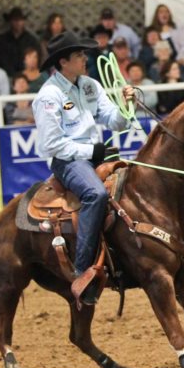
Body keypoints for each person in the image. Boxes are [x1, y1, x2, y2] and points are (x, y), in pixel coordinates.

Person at [32, 32, 133, 303]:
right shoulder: (48, 96)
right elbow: (53, 145)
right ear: (63, 62)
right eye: (79, 55)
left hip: (93, 155)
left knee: (136, 183)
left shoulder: (89, 85)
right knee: (95, 195)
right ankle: (83, 270)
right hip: (67, 161)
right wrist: (92, 151)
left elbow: (114, 120)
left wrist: (126, 105)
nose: (84, 58)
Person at [0, 7, 41, 75]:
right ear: (10, 21)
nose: (18, 23)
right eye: (15, 20)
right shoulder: (3, 40)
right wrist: (12, 73)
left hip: (28, 74)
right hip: (8, 74)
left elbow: (37, 57)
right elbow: (2, 59)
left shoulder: (31, 39)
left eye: (20, 20)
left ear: (23, 21)